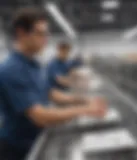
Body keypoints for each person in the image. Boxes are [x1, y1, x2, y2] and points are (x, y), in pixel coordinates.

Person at [0, 8, 106, 160]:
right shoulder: (12, 69)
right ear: (21, 33)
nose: (46, 39)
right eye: (40, 33)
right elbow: (40, 116)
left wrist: (84, 100)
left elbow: (51, 94)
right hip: (17, 149)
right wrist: (85, 109)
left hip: (35, 139)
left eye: (46, 34)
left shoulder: (35, 65)